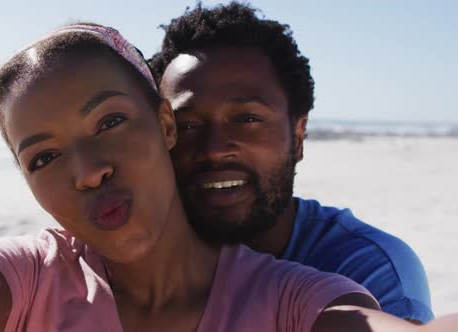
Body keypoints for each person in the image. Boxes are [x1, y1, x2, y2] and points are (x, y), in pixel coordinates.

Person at [0, 23, 453, 332]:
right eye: (43, 158)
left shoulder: (305, 292)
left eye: (111, 121)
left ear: (164, 125)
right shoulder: (31, 281)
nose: (89, 170)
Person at [149, 1, 433, 323]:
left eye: (246, 119)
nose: (214, 150)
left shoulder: (364, 269)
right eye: (187, 125)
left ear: (298, 136)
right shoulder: (131, 260)